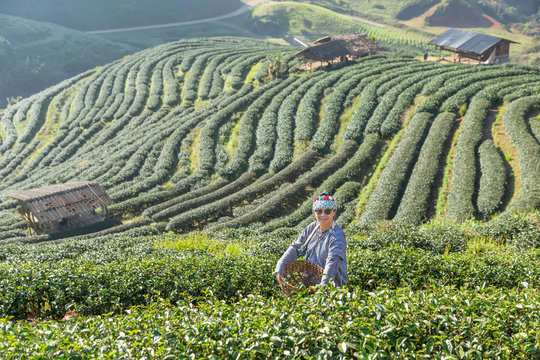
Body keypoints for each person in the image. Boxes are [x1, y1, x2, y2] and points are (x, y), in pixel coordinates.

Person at [274, 192, 347, 288]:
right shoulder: (311, 228)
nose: (323, 215)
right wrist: (280, 266)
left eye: (327, 211)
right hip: (308, 282)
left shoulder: (337, 235)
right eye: (319, 211)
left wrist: (323, 287)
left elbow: (332, 262)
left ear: (333, 212)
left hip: (331, 286)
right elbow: (296, 247)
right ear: (314, 213)